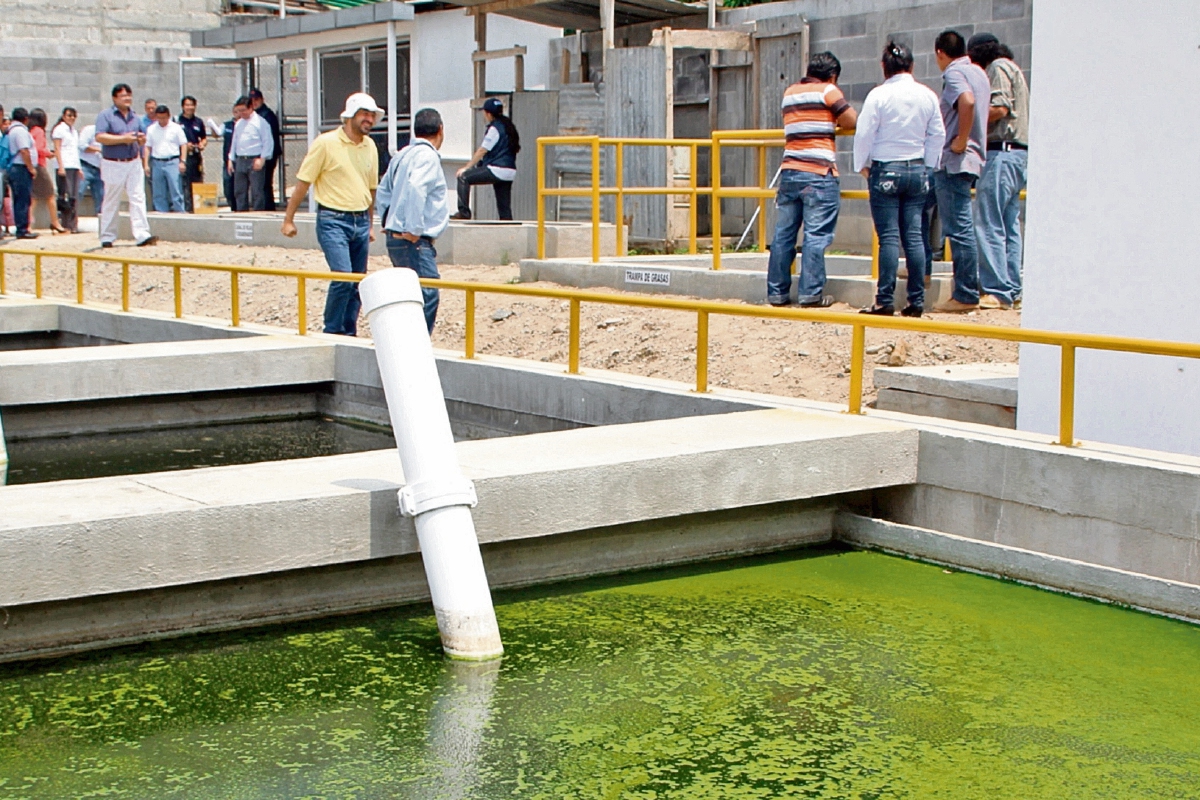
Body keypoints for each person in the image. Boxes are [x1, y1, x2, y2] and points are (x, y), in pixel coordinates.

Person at [853, 42, 945, 317]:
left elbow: (864, 133)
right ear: (912, 65)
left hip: (886, 168)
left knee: (889, 238)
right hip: (917, 169)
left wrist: (862, 165)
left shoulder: (879, 95)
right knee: (915, 237)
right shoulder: (927, 95)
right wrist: (929, 165)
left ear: (884, 68)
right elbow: (937, 133)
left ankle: (884, 300)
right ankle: (916, 301)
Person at [281, 92, 383, 336]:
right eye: (364, 114)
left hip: (359, 219)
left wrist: (369, 224)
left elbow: (370, 189)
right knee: (343, 277)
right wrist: (288, 219)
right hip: (333, 220)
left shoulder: (370, 146)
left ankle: (349, 331)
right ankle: (332, 330)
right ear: (350, 117)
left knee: (358, 281)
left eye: (372, 115)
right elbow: (303, 182)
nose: (369, 120)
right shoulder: (325, 143)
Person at [766, 51, 858, 308]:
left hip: (790, 171)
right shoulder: (829, 90)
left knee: (783, 234)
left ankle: (776, 293)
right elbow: (851, 119)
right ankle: (810, 294)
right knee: (816, 236)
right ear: (832, 75)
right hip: (818, 173)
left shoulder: (790, 92)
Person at [930, 30, 991, 313]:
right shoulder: (978, 72)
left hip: (956, 160)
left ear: (940, 53)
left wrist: (960, 140)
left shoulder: (954, 74)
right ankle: (962, 286)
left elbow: (966, 102)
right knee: (959, 225)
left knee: (958, 228)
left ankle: (965, 293)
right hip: (973, 158)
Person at [969, 33, 1029, 311]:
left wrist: (970, 117)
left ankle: (996, 289)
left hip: (1002, 153)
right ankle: (1012, 288)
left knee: (989, 221)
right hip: (1016, 155)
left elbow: (1000, 108)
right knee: (1009, 224)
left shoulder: (998, 68)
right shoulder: (1013, 67)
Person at [377, 107, 449, 333]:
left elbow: (383, 191)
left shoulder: (401, 155)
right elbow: (417, 187)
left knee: (409, 294)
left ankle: (406, 344)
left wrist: (388, 220)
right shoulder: (427, 157)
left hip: (398, 236)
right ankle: (415, 347)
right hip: (414, 240)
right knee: (427, 292)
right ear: (440, 130)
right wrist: (414, 228)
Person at [95, 83, 156, 248]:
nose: (127, 99)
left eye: (129, 95)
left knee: (137, 197)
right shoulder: (106, 115)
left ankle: (142, 234)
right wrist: (123, 138)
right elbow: (100, 137)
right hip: (113, 162)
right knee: (111, 199)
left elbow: (143, 137)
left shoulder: (136, 117)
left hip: (133, 161)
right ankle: (107, 236)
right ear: (115, 98)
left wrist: (141, 140)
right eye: (123, 96)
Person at [452, 97, 519, 220]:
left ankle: (464, 213)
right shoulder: (509, 126)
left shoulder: (494, 128)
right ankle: (507, 226)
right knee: (504, 208)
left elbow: (483, 150)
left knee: (463, 177)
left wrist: (467, 167)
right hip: (510, 171)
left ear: (488, 113)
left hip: (497, 169)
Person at [227, 95, 274, 212]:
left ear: (250, 108)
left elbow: (267, 142)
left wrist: (262, 159)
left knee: (257, 191)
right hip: (240, 159)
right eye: (239, 111)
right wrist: (230, 159)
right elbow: (234, 142)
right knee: (239, 190)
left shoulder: (261, 122)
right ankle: (241, 212)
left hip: (255, 158)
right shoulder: (239, 123)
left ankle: (258, 214)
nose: (241, 113)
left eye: (243, 110)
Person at [143, 105, 188, 213]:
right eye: (159, 118)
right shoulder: (151, 129)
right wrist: (146, 164)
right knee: (158, 192)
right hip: (157, 162)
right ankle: (161, 213)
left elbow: (183, 144)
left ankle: (180, 212)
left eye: (164, 118)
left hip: (172, 161)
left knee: (176, 189)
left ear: (168, 116)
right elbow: (147, 147)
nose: (162, 120)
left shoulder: (176, 128)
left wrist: (183, 161)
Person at [28, 109, 63, 233]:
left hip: (32, 164)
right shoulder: (39, 131)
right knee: (50, 194)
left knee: (34, 197)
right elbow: (38, 149)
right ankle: (55, 222)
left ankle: (28, 224)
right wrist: (49, 153)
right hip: (39, 165)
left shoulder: (30, 131)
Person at [6, 107, 39, 240]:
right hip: (21, 168)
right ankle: (22, 229)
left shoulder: (11, 130)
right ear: (26, 119)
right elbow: (24, 151)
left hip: (16, 168)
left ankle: (21, 227)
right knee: (23, 199)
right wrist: (31, 168)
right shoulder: (20, 131)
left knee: (19, 198)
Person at [248, 88, 282, 211]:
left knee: (265, 183)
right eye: (251, 100)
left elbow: (269, 138)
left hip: (268, 154)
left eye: (256, 99)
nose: (254, 102)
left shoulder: (267, 115)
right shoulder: (253, 115)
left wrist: (265, 155)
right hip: (259, 154)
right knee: (260, 184)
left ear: (262, 100)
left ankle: (268, 208)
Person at [51, 107, 82, 233]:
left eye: (74, 116)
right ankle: (65, 224)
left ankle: (73, 225)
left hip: (73, 164)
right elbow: (57, 149)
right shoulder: (59, 129)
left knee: (74, 196)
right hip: (64, 165)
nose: (72, 118)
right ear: (64, 116)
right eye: (69, 115)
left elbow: (75, 150)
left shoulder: (74, 131)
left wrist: (79, 168)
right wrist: (61, 166)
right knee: (65, 195)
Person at [178, 95, 207, 213]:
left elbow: (204, 138)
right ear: (183, 107)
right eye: (187, 105)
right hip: (183, 158)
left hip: (196, 157)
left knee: (197, 181)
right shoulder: (177, 121)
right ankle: (186, 209)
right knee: (184, 184)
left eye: (191, 105)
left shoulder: (198, 122)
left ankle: (197, 209)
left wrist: (202, 144)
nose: (189, 107)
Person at [78, 122, 104, 216]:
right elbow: (82, 146)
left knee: (101, 196)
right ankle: (70, 221)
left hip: (100, 169)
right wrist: (99, 150)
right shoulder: (90, 130)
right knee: (78, 192)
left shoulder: (109, 133)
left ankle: (102, 224)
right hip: (86, 166)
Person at [221, 108, 238, 211]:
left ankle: (239, 208)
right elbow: (216, 134)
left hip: (240, 160)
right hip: (228, 161)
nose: (238, 114)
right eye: (236, 112)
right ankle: (232, 205)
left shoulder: (244, 124)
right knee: (228, 185)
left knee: (239, 187)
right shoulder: (227, 125)